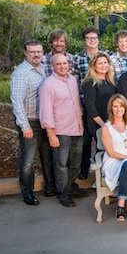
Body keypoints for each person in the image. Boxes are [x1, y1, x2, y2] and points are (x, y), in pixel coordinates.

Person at [10, 39, 55, 205]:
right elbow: (17, 102)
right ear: (25, 52)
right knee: (28, 160)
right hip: (31, 122)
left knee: (47, 156)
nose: (36, 55)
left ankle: (51, 187)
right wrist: (25, 126)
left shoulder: (43, 69)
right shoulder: (21, 73)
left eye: (38, 51)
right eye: (32, 52)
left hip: (45, 122)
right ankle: (27, 193)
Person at [39, 53, 84, 208]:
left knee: (75, 162)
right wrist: (51, 134)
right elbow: (46, 112)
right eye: (59, 64)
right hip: (61, 130)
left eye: (65, 63)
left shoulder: (72, 80)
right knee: (61, 164)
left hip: (77, 128)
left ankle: (71, 186)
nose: (63, 66)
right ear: (52, 66)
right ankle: (64, 194)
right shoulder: (48, 85)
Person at [72, 27, 112, 181]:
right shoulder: (79, 60)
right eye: (89, 38)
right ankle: (84, 169)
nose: (92, 40)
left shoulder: (109, 77)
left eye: (94, 38)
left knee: (103, 145)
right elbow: (74, 83)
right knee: (87, 143)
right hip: (90, 111)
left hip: (106, 114)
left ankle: (102, 173)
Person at [101, 94, 127, 223]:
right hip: (113, 163)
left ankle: (126, 205)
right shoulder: (106, 128)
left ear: (125, 108)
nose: (118, 109)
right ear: (111, 109)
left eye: (121, 106)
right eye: (115, 106)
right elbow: (111, 153)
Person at [81, 52, 118, 140]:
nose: (103, 66)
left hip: (110, 120)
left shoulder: (110, 82)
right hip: (98, 122)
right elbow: (90, 106)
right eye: (100, 63)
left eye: (105, 63)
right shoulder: (90, 83)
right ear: (93, 66)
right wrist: (103, 124)